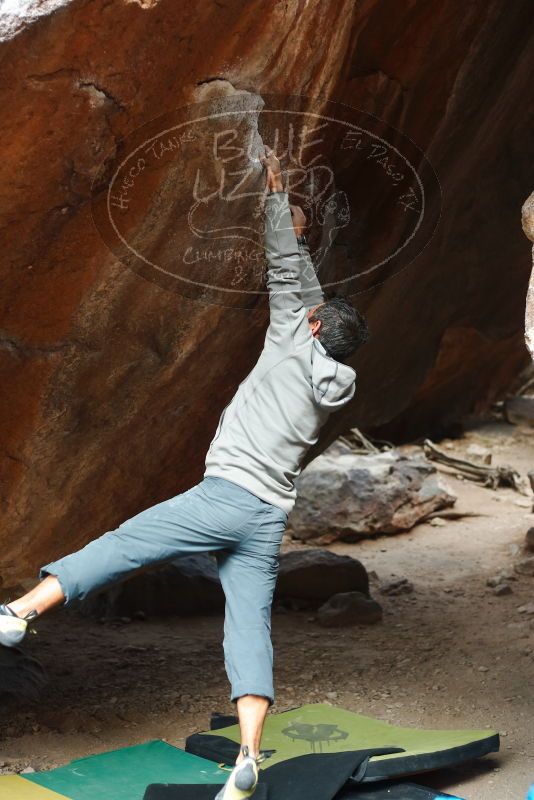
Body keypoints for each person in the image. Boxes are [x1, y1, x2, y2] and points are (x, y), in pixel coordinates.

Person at [0, 146, 369, 799]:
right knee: (247, 628)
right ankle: (248, 757)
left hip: (226, 496)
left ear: (312, 325)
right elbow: (303, 290)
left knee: (124, 544)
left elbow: (286, 265)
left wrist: (277, 189)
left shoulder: (292, 329)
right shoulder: (334, 377)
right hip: (266, 518)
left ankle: (19, 613)